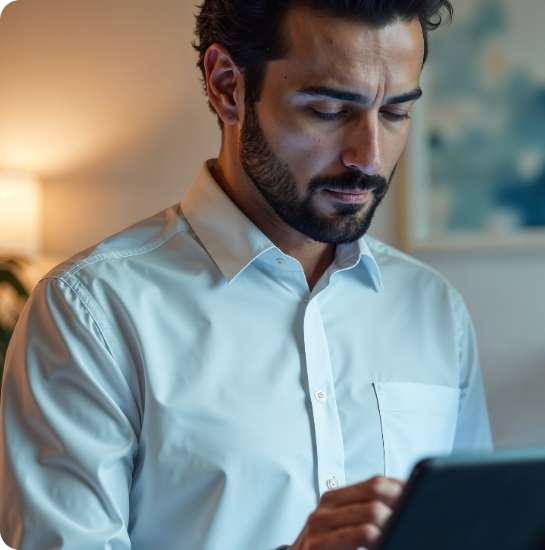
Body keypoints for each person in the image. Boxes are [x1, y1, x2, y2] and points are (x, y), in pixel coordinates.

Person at [0, 1, 492, 548]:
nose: (369, 156)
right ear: (227, 86)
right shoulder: (90, 313)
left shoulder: (433, 308)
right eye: (329, 110)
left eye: (396, 113)